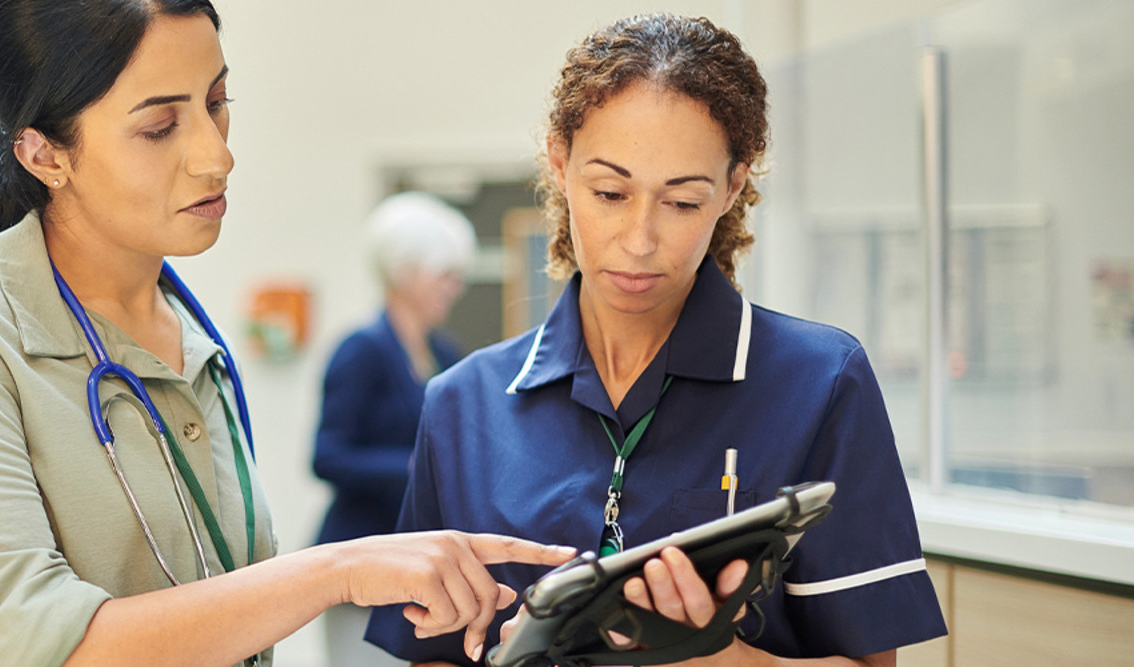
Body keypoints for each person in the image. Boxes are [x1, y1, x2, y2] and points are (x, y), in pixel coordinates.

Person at [0, 2, 575, 666]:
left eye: (216, 103)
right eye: (159, 126)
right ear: (45, 154)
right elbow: (39, 643)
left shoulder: (193, 338)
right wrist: (341, 569)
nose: (216, 156)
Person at [366, 14, 948, 666]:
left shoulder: (821, 383)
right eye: (610, 192)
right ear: (559, 165)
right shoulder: (461, 404)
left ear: (732, 187)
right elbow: (432, 652)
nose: (640, 240)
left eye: (682, 201)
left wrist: (706, 656)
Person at [312, 191, 475, 667]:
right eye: (444, 273)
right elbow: (328, 456)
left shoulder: (446, 354)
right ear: (406, 271)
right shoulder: (360, 350)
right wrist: (413, 465)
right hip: (360, 558)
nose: (455, 285)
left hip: (419, 561)